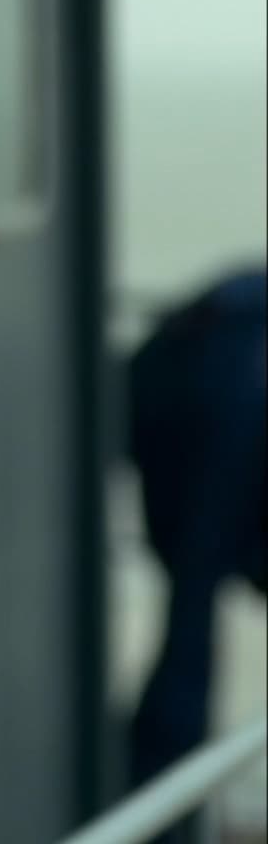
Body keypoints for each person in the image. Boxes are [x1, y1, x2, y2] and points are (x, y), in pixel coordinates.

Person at [124, 266, 266, 843]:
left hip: (191, 387)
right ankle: (161, 816)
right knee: (188, 634)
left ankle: (160, 810)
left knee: (188, 625)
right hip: (214, 401)